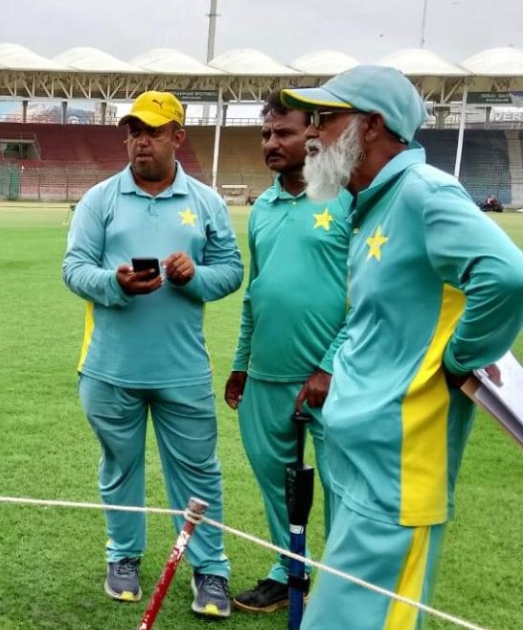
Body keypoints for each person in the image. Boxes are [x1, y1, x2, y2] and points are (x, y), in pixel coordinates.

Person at [280, 65, 523, 629]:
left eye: (327, 117)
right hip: (357, 459)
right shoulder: (372, 203)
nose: (313, 131)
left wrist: (462, 355)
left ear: (371, 126)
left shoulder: (424, 192)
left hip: (398, 469)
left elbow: (509, 276)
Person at [62, 90, 243, 618]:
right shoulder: (100, 199)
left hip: (182, 369)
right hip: (110, 367)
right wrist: (114, 282)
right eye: (133, 131)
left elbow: (231, 270)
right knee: (120, 467)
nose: (140, 141)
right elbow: (74, 269)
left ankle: (210, 570)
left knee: (199, 471)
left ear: (177, 138)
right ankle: (123, 558)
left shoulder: (206, 202)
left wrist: (196, 277)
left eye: (153, 131)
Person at [225, 91, 349, 613]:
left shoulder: (346, 199)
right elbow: (258, 291)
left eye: (284, 133)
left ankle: (343, 588)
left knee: (344, 489)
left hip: (335, 378)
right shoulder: (263, 208)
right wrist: (240, 362)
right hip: (268, 374)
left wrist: (328, 366)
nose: (271, 144)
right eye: (266, 134)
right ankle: (287, 570)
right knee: (274, 481)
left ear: (313, 135)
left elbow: (366, 296)